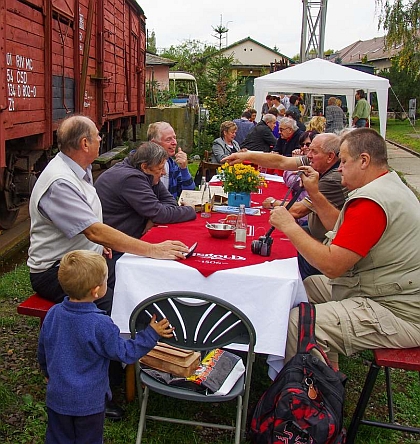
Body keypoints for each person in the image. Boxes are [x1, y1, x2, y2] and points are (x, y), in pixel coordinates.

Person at [269, 128, 420, 370]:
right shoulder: (385, 186)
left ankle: (314, 401)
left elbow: (332, 266)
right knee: (306, 288)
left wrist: (289, 226)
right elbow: (342, 233)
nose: (339, 168)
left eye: (344, 161)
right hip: (382, 290)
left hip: (399, 311)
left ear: (363, 161)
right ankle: (329, 369)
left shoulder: (371, 202)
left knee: (297, 323)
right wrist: (316, 195)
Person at [28, 115, 188, 315]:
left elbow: (84, 222)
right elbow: (94, 231)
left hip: (84, 259)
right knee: (123, 309)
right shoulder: (60, 182)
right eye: (97, 135)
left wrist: (99, 244)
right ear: (85, 143)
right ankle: (120, 340)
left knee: (140, 283)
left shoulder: (77, 170)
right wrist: (152, 249)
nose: (101, 139)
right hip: (59, 270)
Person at [38, 250, 174, 444]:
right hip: (89, 403)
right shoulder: (101, 324)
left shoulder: (53, 313)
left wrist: (46, 371)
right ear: (96, 291)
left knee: (58, 438)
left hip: (57, 396)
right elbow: (125, 353)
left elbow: (43, 348)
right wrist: (151, 334)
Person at [94, 142, 196, 290]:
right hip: (114, 254)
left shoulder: (145, 173)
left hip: (127, 241)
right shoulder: (130, 179)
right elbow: (161, 214)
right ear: (144, 166)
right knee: (163, 273)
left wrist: (153, 216)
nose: (164, 173)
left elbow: (169, 203)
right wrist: (190, 210)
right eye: (160, 169)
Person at [147, 121, 195, 199]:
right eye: (168, 139)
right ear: (154, 143)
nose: (174, 143)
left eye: (174, 138)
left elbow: (189, 194)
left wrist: (184, 169)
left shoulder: (171, 164)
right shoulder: (143, 165)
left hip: (168, 209)